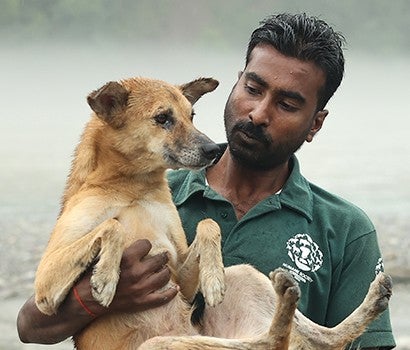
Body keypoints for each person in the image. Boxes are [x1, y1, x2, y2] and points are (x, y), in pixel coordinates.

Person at [17, 13, 395, 349]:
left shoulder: (345, 229)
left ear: (315, 123)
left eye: (287, 104)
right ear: (235, 85)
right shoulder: (158, 191)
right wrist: (105, 298)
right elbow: (30, 326)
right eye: (253, 88)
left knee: (244, 281)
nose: (259, 113)